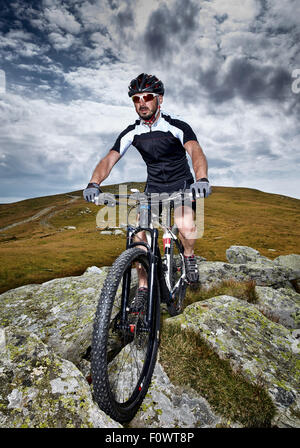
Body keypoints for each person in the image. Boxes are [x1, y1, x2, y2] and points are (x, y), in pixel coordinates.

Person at [83, 73, 211, 305]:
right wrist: (94, 183)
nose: (142, 103)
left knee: (185, 226)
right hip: (153, 190)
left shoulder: (177, 126)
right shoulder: (132, 131)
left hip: (181, 186)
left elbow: (195, 151)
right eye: (136, 99)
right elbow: (110, 158)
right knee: (138, 236)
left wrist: (201, 178)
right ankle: (143, 288)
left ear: (159, 100)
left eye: (147, 97)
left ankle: (189, 257)